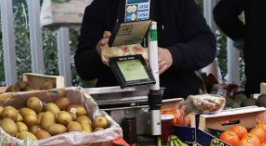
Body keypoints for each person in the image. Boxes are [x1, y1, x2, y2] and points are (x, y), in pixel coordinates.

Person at [74, 0, 216, 99]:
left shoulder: (178, 3)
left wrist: (173, 55)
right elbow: (82, 66)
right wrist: (100, 53)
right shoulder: (100, 7)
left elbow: (206, 45)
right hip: (119, 107)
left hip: (175, 102)